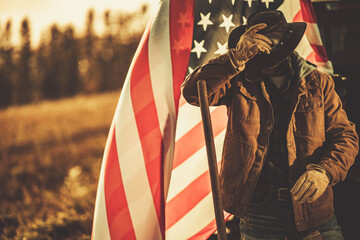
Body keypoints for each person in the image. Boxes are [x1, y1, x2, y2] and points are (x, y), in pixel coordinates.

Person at [182, 10, 359, 239]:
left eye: (269, 54)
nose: (263, 61)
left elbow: (346, 137)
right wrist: (235, 58)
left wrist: (324, 172)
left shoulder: (318, 82)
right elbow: (193, 93)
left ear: (286, 49)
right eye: (257, 53)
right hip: (258, 210)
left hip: (313, 210)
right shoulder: (238, 80)